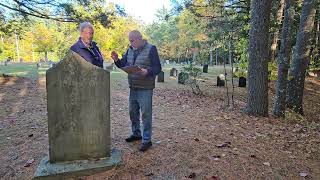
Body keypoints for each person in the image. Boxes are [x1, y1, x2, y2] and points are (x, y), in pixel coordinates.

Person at [111, 30, 162, 152]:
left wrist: (147, 72)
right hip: (133, 86)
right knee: (132, 112)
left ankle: (146, 140)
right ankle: (136, 133)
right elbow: (124, 63)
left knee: (145, 114)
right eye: (130, 40)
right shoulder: (130, 50)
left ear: (139, 38)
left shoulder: (151, 49)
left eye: (132, 40)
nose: (131, 43)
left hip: (145, 88)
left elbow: (158, 68)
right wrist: (117, 59)